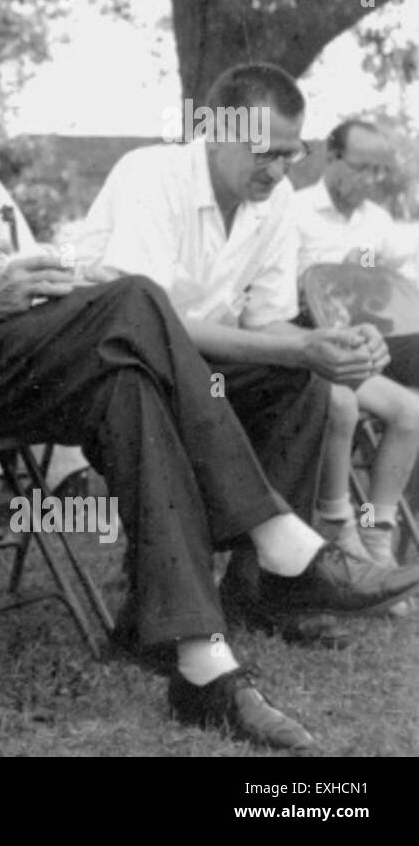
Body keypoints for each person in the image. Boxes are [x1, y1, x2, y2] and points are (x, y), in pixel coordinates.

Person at [0, 4, 419, 750]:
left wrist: (52, 280)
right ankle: (278, 536)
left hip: (20, 352)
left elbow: (28, 274)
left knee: (132, 383)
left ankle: (199, 661)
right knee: (137, 298)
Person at [79, 64, 419, 624]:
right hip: (116, 362)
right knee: (279, 370)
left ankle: (264, 587)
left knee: (309, 380)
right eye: (264, 150)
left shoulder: (275, 199)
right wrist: (295, 350)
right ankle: (289, 562)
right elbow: (148, 321)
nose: (279, 170)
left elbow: (266, 320)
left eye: (291, 154)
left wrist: (329, 342)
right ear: (213, 127)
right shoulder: (151, 175)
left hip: (196, 361)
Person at [291, 117, 419, 567]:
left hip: (361, 350)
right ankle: (338, 526)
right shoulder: (294, 211)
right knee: (341, 401)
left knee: (411, 412)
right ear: (332, 155)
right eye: (362, 167)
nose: (370, 180)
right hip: (302, 347)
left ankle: (377, 533)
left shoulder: (377, 221)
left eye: (379, 171)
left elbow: (400, 281)